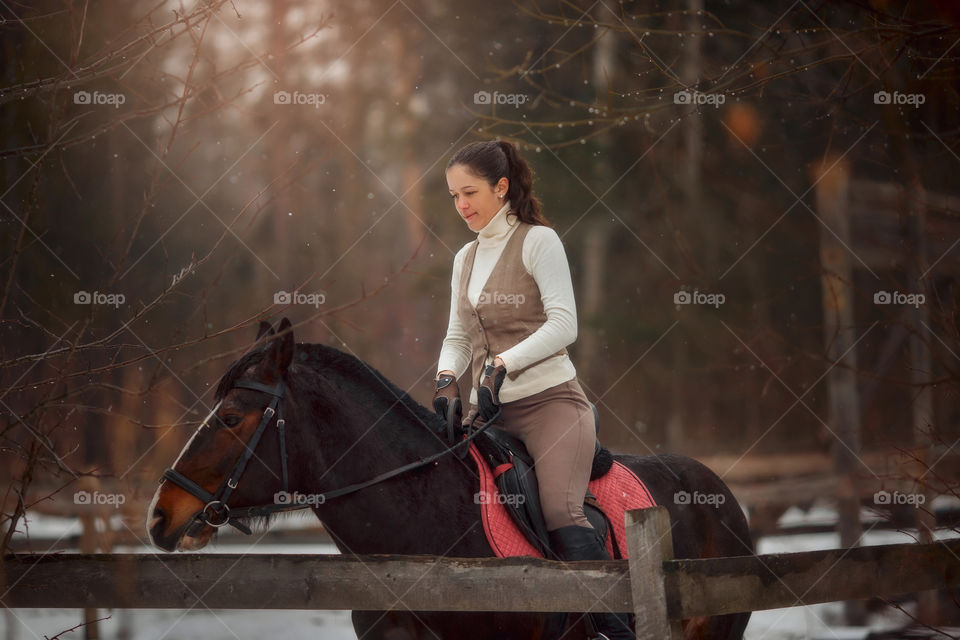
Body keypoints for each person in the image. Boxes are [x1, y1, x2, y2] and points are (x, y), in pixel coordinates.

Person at [432, 140, 633, 640]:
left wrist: (504, 362)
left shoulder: (539, 241)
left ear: (502, 187)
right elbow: (459, 335)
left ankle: (610, 630)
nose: (462, 206)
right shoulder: (465, 257)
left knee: (558, 509)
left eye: (471, 192)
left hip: (551, 405)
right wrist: (444, 378)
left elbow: (565, 324)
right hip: (489, 412)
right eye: (454, 196)